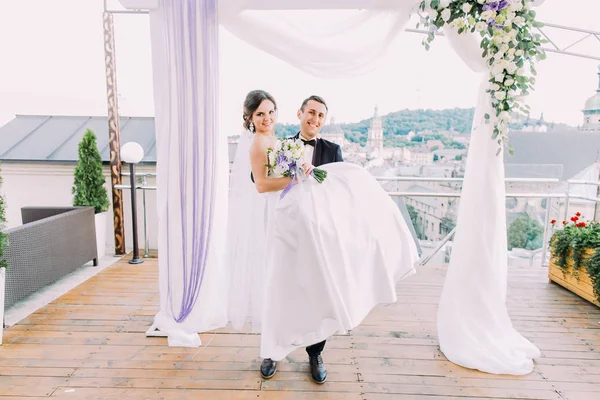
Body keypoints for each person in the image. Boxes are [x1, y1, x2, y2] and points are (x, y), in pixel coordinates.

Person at [225, 90, 419, 384]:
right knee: (281, 286)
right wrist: (295, 173)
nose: (314, 118)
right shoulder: (281, 144)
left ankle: (315, 353)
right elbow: (259, 181)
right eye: (310, 112)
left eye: (320, 115)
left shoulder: (333, 150)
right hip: (286, 228)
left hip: (320, 234)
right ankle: (273, 351)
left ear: (323, 120)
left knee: (319, 289)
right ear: (299, 115)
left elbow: (341, 195)